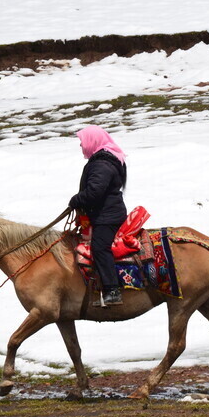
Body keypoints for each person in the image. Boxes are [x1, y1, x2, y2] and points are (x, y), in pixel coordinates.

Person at [68, 125, 128, 307]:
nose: (81, 146)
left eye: (82, 142)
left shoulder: (101, 164)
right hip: (105, 213)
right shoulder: (104, 160)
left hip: (107, 216)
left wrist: (75, 200)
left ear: (92, 141)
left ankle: (112, 290)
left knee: (99, 247)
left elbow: (95, 192)